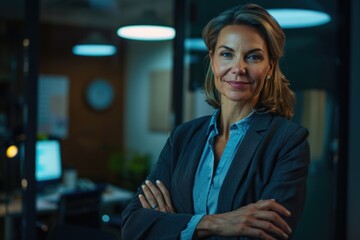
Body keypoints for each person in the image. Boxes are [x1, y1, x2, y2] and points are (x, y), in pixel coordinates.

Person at [121, 3, 310, 240]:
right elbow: (132, 224)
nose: (238, 68)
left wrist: (174, 225)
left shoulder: (288, 142)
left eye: (253, 57)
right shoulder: (183, 136)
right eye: (226, 54)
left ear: (270, 66)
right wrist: (217, 224)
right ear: (212, 60)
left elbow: (266, 233)